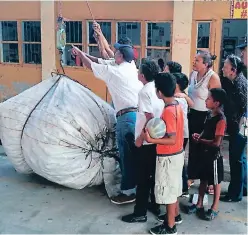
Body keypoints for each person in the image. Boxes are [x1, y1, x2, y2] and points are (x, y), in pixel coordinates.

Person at [71, 43, 143, 205]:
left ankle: (128, 192)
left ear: (120, 56)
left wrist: (81, 54)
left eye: (116, 51)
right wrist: (82, 52)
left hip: (127, 117)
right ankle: (137, 187)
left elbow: (92, 65)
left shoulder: (115, 72)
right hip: (137, 115)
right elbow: (99, 60)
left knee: (127, 156)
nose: (113, 53)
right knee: (134, 154)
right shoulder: (129, 66)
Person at [121, 59, 164, 223]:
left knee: (143, 178)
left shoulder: (144, 92)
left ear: (143, 75)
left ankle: (140, 213)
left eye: (140, 71)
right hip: (156, 139)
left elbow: (149, 117)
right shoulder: (157, 88)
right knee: (153, 176)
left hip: (146, 140)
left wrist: (140, 139)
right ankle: (154, 205)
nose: (138, 72)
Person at [143, 73, 184, 235]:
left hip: (168, 156)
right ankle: (176, 215)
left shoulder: (168, 111)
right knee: (173, 188)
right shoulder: (177, 105)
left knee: (167, 192)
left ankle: (170, 227)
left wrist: (151, 140)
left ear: (159, 92)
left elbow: (171, 139)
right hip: (177, 155)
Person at [187, 88, 227, 221]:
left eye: (209, 99)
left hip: (214, 156)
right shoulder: (210, 115)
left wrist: (201, 140)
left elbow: (216, 143)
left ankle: (214, 208)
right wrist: (200, 136)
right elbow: (206, 131)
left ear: (216, 103)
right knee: (203, 179)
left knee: (215, 182)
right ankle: (199, 204)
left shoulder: (221, 120)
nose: (206, 100)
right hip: (204, 153)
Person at [187, 51, 221, 195]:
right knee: (193, 148)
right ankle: (191, 176)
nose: (194, 62)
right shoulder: (193, 74)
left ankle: (208, 181)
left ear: (206, 64)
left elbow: (218, 101)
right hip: (193, 114)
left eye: (197, 60)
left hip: (206, 116)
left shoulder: (212, 77)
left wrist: (215, 120)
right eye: (194, 60)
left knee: (204, 149)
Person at [220, 55, 247, 202]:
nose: (223, 68)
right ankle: (243, 188)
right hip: (238, 126)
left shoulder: (240, 85)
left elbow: (243, 108)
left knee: (236, 159)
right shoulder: (232, 81)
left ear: (233, 70)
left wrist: (235, 125)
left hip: (240, 126)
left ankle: (234, 194)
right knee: (241, 158)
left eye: (225, 66)